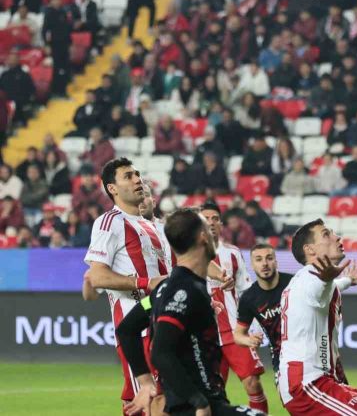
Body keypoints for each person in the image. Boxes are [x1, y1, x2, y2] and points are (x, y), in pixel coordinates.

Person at [116, 208, 264, 416]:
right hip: (199, 407)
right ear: (203, 237)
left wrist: (146, 382)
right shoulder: (185, 291)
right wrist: (198, 401)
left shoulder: (163, 290)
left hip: (199, 403)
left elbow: (127, 329)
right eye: (207, 228)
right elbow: (161, 351)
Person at [279, 219, 357, 415]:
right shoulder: (312, 280)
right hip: (305, 384)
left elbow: (327, 289)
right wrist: (326, 279)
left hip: (321, 380)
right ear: (310, 249)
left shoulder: (304, 279)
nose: (337, 237)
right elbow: (318, 290)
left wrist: (347, 280)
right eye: (326, 234)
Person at [83, 158, 171, 411]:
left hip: (164, 326)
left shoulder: (151, 227)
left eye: (137, 174)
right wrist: (146, 283)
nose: (137, 180)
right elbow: (97, 277)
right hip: (138, 332)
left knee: (168, 403)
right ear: (112, 188)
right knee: (153, 403)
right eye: (128, 176)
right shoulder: (109, 222)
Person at [199, 201, 267, 414]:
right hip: (205, 334)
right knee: (211, 393)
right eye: (206, 219)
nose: (211, 222)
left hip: (234, 332)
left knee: (253, 384)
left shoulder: (232, 253)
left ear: (221, 224)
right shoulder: (188, 256)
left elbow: (247, 293)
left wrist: (254, 328)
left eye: (215, 219)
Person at [234, 243, 293, 399]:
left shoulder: (293, 283)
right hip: (281, 356)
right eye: (259, 259)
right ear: (252, 265)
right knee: (289, 399)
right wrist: (249, 340)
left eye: (269, 258)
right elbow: (238, 335)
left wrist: (346, 281)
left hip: (308, 350)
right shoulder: (249, 298)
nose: (265, 263)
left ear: (276, 262)